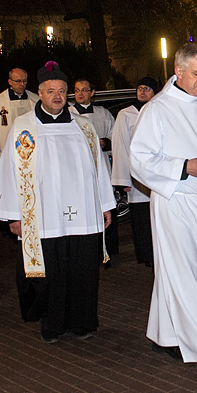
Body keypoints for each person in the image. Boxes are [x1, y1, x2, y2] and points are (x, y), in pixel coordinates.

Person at [129, 43, 197, 385]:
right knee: (184, 275)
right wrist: (184, 166)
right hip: (174, 200)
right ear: (178, 71)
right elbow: (140, 159)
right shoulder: (158, 109)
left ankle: (165, 335)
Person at [0, 61, 116, 343]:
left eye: (61, 91)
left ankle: (82, 323)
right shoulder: (23, 129)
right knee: (51, 275)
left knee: (83, 270)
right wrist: (13, 215)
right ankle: (53, 324)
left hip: (82, 215)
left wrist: (105, 204)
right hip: (43, 217)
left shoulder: (84, 127)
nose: (57, 96)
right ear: (40, 93)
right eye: (50, 91)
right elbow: (9, 172)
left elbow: (99, 169)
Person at [109, 77, 159, 267]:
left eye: (147, 88)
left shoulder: (159, 110)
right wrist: (122, 179)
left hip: (156, 174)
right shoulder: (126, 114)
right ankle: (147, 255)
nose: (142, 92)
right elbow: (120, 146)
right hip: (136, 177)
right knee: (141, 219)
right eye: (139, 88)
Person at [70, 78, 118, 259]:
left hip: (101, 166)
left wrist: (104, 142)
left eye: (84, 90)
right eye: (76, 90)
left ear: (92, 92)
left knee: (105, 204)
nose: (80, 94)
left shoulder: (103, 113)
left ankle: (109, 247)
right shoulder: (68, 114)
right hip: (79, 170)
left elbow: (115, 135)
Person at [0, 68, 38, 160]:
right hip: (9, 149)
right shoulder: (0, 101)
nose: (22, 84)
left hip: (31, 148)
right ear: (10, 82)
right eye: (18, 81)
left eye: (24, 81)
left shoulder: (35, 100)